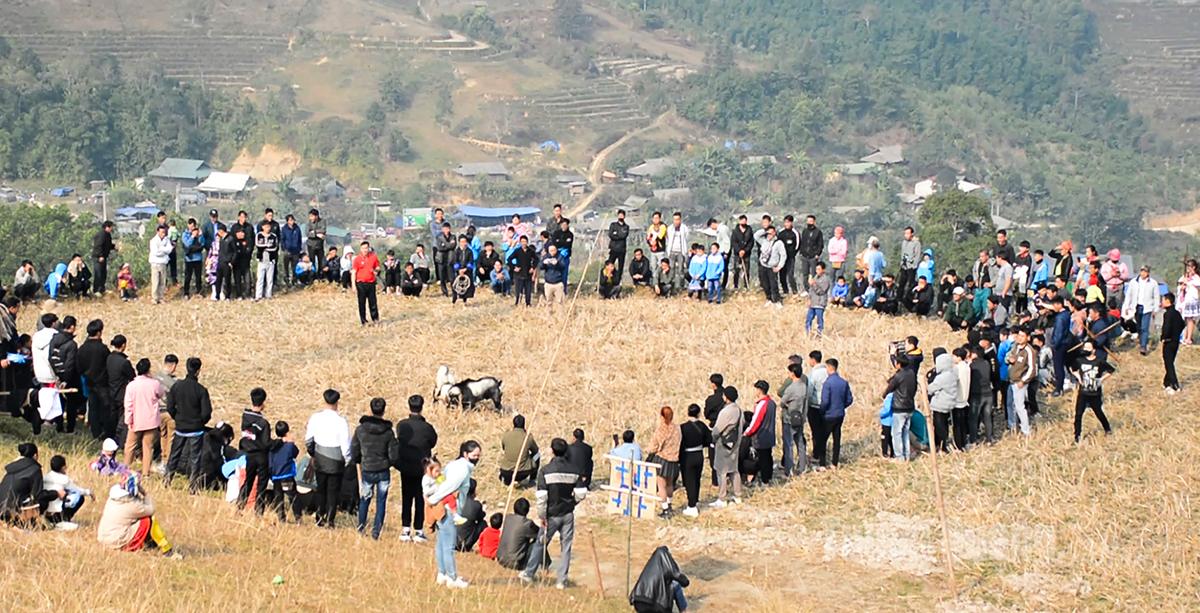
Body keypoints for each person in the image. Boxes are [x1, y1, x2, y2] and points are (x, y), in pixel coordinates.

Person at [518, 438, 585, 589]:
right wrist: (572, 503)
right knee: (566, 548)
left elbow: (542, 498)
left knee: (540, 544)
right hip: (567, 513)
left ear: (552, 451)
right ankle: (561, 581)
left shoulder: (545, 471)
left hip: (551, 515)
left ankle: (529, 573)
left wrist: (542, 516)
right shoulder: (574, 469)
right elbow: (581, 493)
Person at [427, 441, 481, 589]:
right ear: (465, 454)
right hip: (449, 510)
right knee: (449, 546)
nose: (477, 458)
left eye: (478, 455)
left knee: (441, 543)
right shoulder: (462, 469)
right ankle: (452, 578)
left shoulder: (453, 465)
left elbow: (441, 479)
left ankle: (442, 574)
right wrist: (433, 499)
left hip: (441, 508)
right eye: (474, 455)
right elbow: (449, 486)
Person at [96, 475, 182, 559]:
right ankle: (167, 550)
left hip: (104, 537)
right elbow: (151, 509)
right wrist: (145, 493)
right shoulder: (133, 506)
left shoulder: (112, 499)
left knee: (138, 522)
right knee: (149, 520)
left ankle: (151, 545)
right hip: (117, 540)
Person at [351, 397, 399, 540]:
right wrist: (388, 463)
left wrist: (359, 461)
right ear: (384, 410)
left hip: (367, 469)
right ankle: (376, 531)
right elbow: (394, 455)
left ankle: (361, 527)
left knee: (365, 499)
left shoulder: (360, 430)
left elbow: (354, 450)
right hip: (383, 470)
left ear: (371, 409)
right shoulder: (388, 432)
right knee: (381, 501)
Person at [305, 389, 352, 528]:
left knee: (321, 488)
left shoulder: (315, 418)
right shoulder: (341, 421)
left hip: (320, 457)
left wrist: (313, 454)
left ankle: (320, 517)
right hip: (336, 460)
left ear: (324, 401)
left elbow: (308, 439)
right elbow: (346, 446)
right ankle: (330, 520)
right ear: (337, 402)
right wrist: (347, 460)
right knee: (333, 491)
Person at [164, 357, 212, 491]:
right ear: (198, 371)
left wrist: (177, 418)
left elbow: (170, 406)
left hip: (180, 427)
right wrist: (200, 422)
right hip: (196, 429)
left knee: (174, 455)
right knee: (195, 459)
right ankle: (192, 487)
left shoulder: (177, 386)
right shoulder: (201, 390)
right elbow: (206, 413)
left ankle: (167, 480)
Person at [395, 395, 437, 542]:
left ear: (409, 406)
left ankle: (405, 529)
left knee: (406, 497)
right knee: (420, 498)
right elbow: (433, 442)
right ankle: (419, 530)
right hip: (422, 468)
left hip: (405, 466)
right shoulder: (427, 428)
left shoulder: (402, 425)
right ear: (422, 406)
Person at [123, 359, 165, 479]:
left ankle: (126, 469)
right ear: (148, 369)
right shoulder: (154, 384)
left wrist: (128, 420)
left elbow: (128, 405)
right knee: (148, 447)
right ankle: (146, 472)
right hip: (151, 420)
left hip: (136, 420)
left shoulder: (131, 385)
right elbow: (161, 394)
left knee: (130, 446)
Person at [0, 443, 60, 527]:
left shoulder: (11, 468)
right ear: (35, 455)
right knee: (43, 500)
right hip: (15, 512)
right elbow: (38, 495)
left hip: (2, 510)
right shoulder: (35, 469)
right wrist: (56, 493)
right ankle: (31, 523)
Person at [1070, 341, 1115, 443]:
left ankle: (1107, 428)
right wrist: (1079, 378)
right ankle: (1077, 436)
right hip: (1083, 392)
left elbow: (1111, 370)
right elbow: (1073, 369)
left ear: (1094, 350)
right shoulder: (1079, 360)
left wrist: (1101, 380)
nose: (1086, 350)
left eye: (1088, 348)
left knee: (1098, 412)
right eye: (1085, 348)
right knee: (1078, 414)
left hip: (1095, 393)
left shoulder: (1099, 361)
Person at [236, 387, 272, 514]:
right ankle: (259, 510)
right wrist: (278, 443)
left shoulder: (245, 417)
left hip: (249, 454)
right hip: (261, 455)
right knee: (261, 484)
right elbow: (266, 443)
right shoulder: (263, 423)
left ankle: (240, 506)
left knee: (248, 481)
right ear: (263, 403)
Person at [629, 546, 690, 613]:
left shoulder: (648, 569)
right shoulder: (666, 561)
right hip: (657, 605)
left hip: (639, 602)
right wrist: (686, 581)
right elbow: (678, 576)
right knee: (676, 585)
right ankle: (683, 611)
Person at [645, 406, 682, 516]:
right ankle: (669, 505)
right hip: (674, 460)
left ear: (662, 416)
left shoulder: (661, 430)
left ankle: (665, 508)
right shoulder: (677, 429)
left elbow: (654, 447)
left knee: (661, 486)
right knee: (670, 484)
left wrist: (648, 450)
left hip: (662, 459)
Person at [710, 386, 743, 507]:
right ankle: (738, 495)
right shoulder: (738, 410)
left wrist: (713, 438)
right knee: (734, 470)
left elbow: (717, 430)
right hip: (735, 443)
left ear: (727, 397)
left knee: (721, 471)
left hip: (723, 444)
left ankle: (722, 498)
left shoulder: (725, 412)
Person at [817, 359, 853, 468]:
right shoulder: (843, 382)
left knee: (822, 439)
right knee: (836, 439)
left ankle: (822, 464)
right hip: (840, 414)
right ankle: (834, 462)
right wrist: (842, 406)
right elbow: (849, 399)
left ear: (829, 367)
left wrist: (822, 411)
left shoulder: (827, 383)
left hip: (828, 415)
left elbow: (825, 401)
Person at [676, 404, 710, 518]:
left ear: (688, 413)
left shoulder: (683, 427)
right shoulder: (702, 426)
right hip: (699, 454)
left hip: (687, 456)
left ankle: (692, 506)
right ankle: (695, 500)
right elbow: (709, 440)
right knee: (697, 478)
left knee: (689, 481)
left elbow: (679, 444)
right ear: (699, 413)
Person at [43, 455, 92, 530]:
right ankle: (65, 518)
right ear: (63, 467)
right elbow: (77, 491)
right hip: (57, 512)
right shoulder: (64, 479)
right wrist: (89, 492)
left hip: (46, 512)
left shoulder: (45, 477)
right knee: (79, 497)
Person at [883, 354, 917, 460]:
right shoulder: (912, 373)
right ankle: (906, 455)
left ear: (899, 364)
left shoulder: (898, 376)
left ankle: (899, 457)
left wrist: (884, 395)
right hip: (910, 406)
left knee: (896, 433)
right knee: (905, 432)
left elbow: (890, 388)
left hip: (899, 408)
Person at [744, 381, 777, 485]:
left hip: (761, 436)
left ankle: (764, 480)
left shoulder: (762, 404)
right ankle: (768, 477)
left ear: (759, 390)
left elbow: (756, 422)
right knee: (768, 457)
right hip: (769, 435)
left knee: (762, 459)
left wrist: (746, 433)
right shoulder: (772, 403)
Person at [1005, 328, 1036, 436]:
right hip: (1011, 380)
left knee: (1019, 407)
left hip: (1019, 382)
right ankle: (1012, 425)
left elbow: (1032, 369)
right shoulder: (1015, 346)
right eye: (1019, 335)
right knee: (1010, 404)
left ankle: (1026, 430)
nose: (1020, 338)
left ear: (1028, 338)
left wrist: (1023, 381)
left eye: (1022, 336)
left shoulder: (1029, 351)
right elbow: (1008, 356)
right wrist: (1009, 359)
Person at [1123, 266, 1160, 356]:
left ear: (1148, 273)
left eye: (1145, 272)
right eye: (1142, 271)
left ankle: (1143, 346)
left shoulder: (1153, 283)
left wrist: (1156, 309)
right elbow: (1129, 295)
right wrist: (1126, 306)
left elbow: (1156, 296)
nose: (1143, 273)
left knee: (1144, 327)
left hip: (1147, 307)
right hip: (1136, 306)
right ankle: (1141, 340)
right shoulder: (1134, 282)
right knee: (1139, 326)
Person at [779, 363, 809, 476]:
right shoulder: (804, 386)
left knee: (788, 444)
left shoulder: (791, 388)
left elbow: (782, 402)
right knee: (800, 443)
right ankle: (802, 467)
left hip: (789, 419)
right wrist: (804, 417)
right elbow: (806, 403)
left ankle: (789, 469)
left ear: (792, 373)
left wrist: (787, 406)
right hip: (800, 418)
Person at [927, 350, 958, 453]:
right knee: (945, 425)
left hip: (940, 404)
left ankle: (940, 445)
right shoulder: (953, 374)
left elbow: (931, 389)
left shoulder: (941, 377)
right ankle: (943, 444)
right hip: (949, 403)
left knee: (939, 426)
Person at [269, 421, 300, 522]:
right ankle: (298, 517)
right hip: (287, 475)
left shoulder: (272, 446)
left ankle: (281, 518)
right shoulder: (289, 445)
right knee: (292, 497)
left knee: (278, 498)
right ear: (287, 432)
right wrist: (292, 442)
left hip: (275, 476)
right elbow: (296, 453)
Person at [497, 497, 540, 570]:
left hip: (500, 558)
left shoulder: (507, 518)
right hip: (515, 563)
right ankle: (546, 566)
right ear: (527, 510)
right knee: (539, 541)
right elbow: (539, 533)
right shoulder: (527, 523)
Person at [153, 355, 179, 465]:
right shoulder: (173, 383)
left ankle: (163, 456)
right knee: (171, 437)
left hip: (157, 411)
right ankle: (167, 460)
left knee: (162, 435)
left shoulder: (155, 377)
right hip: (169, 413)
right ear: (173, 365)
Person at [500, 415, 539, 486]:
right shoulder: (528, 437)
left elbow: (503, 448)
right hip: (523, 473)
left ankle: (505, 480)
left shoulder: (506, 435)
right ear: (524, 424)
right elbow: (536, 451)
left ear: (513, 424)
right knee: (537, 455)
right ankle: (532, 479)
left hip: (506, 471)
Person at [352, 241, 381, 325]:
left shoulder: (373, 257)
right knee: (362, 303)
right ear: (360, 249)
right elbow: (354, 272)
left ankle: (375, 319)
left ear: (369, 248)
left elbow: (378, 267)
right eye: (363, 248)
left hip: (371, 282)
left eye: (366, 248)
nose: (365, 250)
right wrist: (353, 285)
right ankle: (363, 321)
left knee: (373, 302)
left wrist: (376, 270)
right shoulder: (357, 259)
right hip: (361, 283)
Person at [1160, 292, 1184, 393]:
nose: (1162, 302)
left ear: (1168, 301)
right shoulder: (1177, 313)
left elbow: (1167, 327)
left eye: (1163, 300)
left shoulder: (1167, 314)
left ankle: (1175, 385)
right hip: (1176, 341)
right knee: (1170, 362)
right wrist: (1176, 334)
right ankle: (1166, 382)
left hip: (1169, 342)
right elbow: (1182, 324)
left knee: (1168, 364)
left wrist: (1164, 337)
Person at [757, 225, 786, 307]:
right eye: (768, 233)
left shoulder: (778, 243)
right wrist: (765, 230)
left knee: (774, 285)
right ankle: (769, 298)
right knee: (765, 284)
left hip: (773, 266)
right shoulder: (763, 241)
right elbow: (756, 235)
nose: (769, 235)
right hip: (763, 265)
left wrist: (779, 266)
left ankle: (777, 300)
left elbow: (783, 255)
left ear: (774, 233)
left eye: (771, 233)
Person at [508, 235, 537, 306]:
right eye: (522, 242)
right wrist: (514, 267)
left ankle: (528, 303)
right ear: (520, 242)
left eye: (525, 241)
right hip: (519, 273)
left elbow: (536, 259)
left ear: (527, 242)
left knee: (528, 290)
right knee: (518, 290)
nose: (524, 243)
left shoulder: (531, 251)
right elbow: (509, 259)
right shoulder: (517, 251)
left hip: (528, 273)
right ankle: (517, 303)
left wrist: (533, 267)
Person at [797, 215, 823, 293]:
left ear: (814, 222)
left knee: (814, 273)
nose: (809, 223)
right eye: (808, 221)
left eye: (811, 221)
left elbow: (820, 244)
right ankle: (806, 289)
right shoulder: (805, 231)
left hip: (813, 256)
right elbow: (802, 242)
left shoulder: (818, 232)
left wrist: (817, 254)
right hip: (804, 256)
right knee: (805, 273)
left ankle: (814, 289)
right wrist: (801, 252)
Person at [253, 221, 279, 300]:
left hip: (271, 260)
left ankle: (268, 295)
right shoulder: (259, 235)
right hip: (261, 260)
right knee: (260, 279)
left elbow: (274, 247)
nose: (268, 228)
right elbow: (258, 245)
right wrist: (266, 246)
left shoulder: (273, 236)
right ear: (263, 227)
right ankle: (258, 295)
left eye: (269, 227)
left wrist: (265, 248)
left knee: (269, 279)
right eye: (266, 227)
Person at [148, 224, 173, 304]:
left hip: (163, 263)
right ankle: (155, 298)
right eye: (162, 232)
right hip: (155, 263)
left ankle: (161, 297)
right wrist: (164, 251)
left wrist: (162, 249)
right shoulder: (153, 241)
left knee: (162, 282)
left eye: (164, 232)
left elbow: (170, 249)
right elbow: (156, 253)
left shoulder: (167, 239)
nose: (163, 234)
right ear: (158, 232)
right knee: (155, 281)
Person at [729, 215, 754, 290]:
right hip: (737, 254)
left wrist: (745, 250)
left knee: (746, 270)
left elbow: (751, 242)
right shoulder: (735, 231)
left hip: (747, 254)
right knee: (736, 270)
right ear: (739, 221)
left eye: (745, 220)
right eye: (742, 220)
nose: (743, 222)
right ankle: (735, 286)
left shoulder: (749, 230)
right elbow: (733, 242)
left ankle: (746, 286)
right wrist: (739, 250)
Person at [91, 221, 116, 294]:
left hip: (104, 257)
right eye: (111, 227)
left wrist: (115, 247)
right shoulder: (101, 234)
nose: (112, 229)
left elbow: (108, 245)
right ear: (107, 227)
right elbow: (98, 246)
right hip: (98, 257)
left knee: (103, 273)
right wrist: (100, 255)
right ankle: (96, 290)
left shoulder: (107, 235)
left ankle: (102, 289)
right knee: (98, 273)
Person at [899, 226, 922, 305]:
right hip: (904, 266)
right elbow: (902, 253)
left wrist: (914, 266)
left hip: (911, 267)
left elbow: (917, 256)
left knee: (910, 284)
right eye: (905, 233)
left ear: (912, 234)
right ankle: (899, 299)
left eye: (907, 233)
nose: (906, 235)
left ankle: (909, 299)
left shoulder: (916, 243)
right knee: (901, 283)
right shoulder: (904, 242)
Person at [806, 262, 831, 335]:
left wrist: (813, 284)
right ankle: (808, 333)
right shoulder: (815, 277)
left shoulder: (825, 280)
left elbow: (821, 291)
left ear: (823, 270)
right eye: (816, 269)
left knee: (819, 320)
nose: (817, 271)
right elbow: (811, 290)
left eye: (819, 269)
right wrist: (809, 299)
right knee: (808, 319)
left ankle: (819, 333)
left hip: (820, 303)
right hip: (813, 303)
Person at [777, 215, 800, 294]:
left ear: (791, 223)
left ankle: (794, 291)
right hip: (782, 258)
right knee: (782, 275)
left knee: (790, 275)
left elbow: (798, 245)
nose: (787, 224)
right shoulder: (781, 233)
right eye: (785, 222)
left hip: (791, 258)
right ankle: (785, 291)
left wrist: (793, 253)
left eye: (788, 222)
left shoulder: (795, 233)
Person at [279, 214, 302, 287]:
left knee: (295, 267)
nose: (292, 222)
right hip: (287, 250)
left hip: (296, 251)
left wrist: (299, 248)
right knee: (286, 267)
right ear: (287, 221)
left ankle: (294, 281)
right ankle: (286, 281)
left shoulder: (297, 228)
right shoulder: (284, 229)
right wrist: (284, 248)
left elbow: (299, 239)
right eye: (290, 220)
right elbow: (282, 239)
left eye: (293, 220)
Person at [607, 209, 630, 281]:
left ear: (624, 216)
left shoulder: (626, 227)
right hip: (613, 249)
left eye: (622, 215)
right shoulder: (613, 225)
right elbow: (610, 235)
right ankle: (608, 279)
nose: (621, 216)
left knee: (621, 267)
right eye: (619, 215)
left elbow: (624, 235)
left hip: (622, 250)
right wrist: (618, 235)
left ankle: (618, 281)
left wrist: (616, 234)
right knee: (610, 265)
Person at [305, 209, 327, 273]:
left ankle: (320, 274)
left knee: (321, 261)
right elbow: (307, 233)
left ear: (316, 216)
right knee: (312, 261)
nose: (310, 218)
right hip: (311, 245)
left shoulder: (322, 221)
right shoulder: (308, 223)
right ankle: (313, 275)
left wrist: (313, 232)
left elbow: (323, 230)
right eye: (310, 216)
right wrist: (317, 234)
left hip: (320, 245)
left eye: (312, 216)